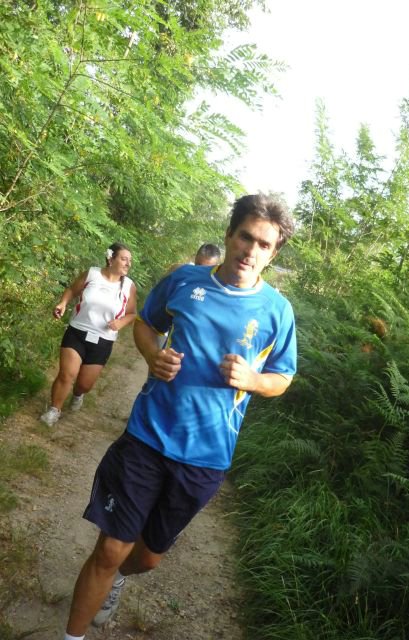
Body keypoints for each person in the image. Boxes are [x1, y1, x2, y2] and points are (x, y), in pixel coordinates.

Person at [62, 194, 296, 640]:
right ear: (229, 234)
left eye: (264, 244)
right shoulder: (185, 281)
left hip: (206, 455)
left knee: (148, 558)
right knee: (110, 548)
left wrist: (252, 379)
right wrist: (153, 356)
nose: (251, 250)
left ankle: (119, 579)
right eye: (245, 237)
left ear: (273, 252)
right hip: (147, 435)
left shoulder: (277, 311)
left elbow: (282, 377)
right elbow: (146, 324)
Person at [40, 242, 137, 427]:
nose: (128, 264)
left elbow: (132, 313)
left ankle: (78, 394)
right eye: (124, 259)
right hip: (77, 331)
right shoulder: (92, 274)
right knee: (67, 375)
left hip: (103, 340)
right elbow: (72, 290)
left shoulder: (129, 287)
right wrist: (63, 303)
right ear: (111, 259)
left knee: (84, 385)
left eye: (129, 261)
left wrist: (120, 323)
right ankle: (54, 410)